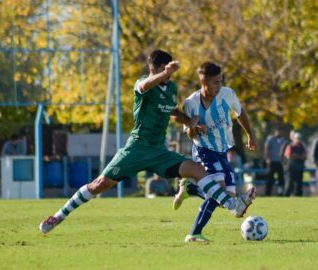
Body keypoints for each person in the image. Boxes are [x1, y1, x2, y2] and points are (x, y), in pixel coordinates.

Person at [39, 50, 256, 234]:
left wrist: (190, 121)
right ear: (155, 70)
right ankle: (58, 216)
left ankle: (233, 205)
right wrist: (164, 73)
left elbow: (171, 110)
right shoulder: (142, 85)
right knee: (99, 185)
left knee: (197, 169)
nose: (169, 77)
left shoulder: (171, 89)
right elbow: (145, 86)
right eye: (164, 72)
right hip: (137, 149)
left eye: (170, 73)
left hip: (159, 151)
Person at [172, 61, 257, 242]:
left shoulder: (228, 94)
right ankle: (194, 233)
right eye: (215, 82)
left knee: (228, 196)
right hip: (203, 150)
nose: (219, 85)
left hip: (221, 151)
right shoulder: (191, 103)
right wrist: (193, 126)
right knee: (221, 192)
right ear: (204, 82)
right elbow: (188, 132)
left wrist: (250, 135)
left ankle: (191, 189)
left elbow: (240, 113)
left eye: (220, 81)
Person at [264, 127, 286, 196]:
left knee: (281, 179)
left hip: (280, 162)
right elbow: (267, 149)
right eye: (278, 131)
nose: (279, 132)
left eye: (281, 131)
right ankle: (268, 193)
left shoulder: (283, 140)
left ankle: (280, 193)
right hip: (272, 162)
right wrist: (268, 159)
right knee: (270, 178)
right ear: (275, 131)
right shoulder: (271, 139)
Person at [284, 132, 307, 196]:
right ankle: (285, 197)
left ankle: (298, 198)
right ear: (294, 139)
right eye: (297, 138)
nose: (298, 140)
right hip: (291, 168)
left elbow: (304, 157)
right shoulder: (290, 146)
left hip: (299, 168)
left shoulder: (302, 147)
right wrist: (299, 156)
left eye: (299, 138)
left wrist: (296, 156)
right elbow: (289, 155)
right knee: (289, 184)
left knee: (299, 185)